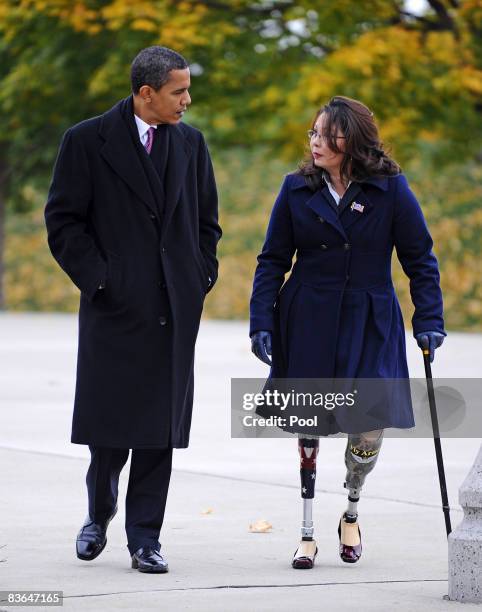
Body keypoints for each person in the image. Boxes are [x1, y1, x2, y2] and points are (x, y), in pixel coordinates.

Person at [45, 46, 221, 573]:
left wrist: (199, 276)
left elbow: (207, 223)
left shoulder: (191, 144)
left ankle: (145, 538)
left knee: (158, 432)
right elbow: (64, 223)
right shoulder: (85, 140)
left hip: (174, 309)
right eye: (179, 91)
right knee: (110, 429)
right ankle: (98, 514)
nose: (188, 100)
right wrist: (101, 281)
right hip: (114, 310)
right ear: (146, 93)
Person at [249, 96, 445, 569]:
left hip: (371, 316)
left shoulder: (390, 189)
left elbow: (419, 258)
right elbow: (272, 260)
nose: (315, 142)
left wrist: (430, 320)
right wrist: (261, 322)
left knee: (368, 423)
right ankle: (307, 529)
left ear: (352, 140)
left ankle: (352, 508)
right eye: (312, 133)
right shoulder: (296, 187)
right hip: (308, 316)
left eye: (325, 134)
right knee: (310, 423)